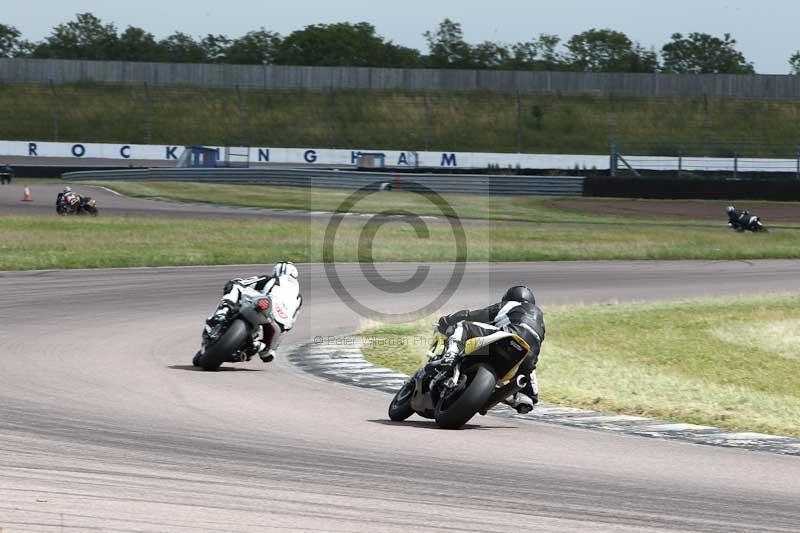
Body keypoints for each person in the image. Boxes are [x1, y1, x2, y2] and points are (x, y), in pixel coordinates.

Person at [431, 285, 545, 414]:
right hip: (527, 356)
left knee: (463, 326)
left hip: (508, 336)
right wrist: (532, 397)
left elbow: (474, 315)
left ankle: (450, 355)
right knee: (527, 388)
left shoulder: (512, 305)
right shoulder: (540, 322)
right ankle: (521, 399)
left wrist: (446, 320)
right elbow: (531, 363)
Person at [197, 261, 303, 364]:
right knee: (267, 355)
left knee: (235, 285)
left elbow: (244, 283)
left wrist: (234, 285)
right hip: (280, 325)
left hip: (268, 305)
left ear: (277, 271)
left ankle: (222, 313)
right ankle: (256, 346)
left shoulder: (272, 279)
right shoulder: (299, 298)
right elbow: (290, 324)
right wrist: (275, 344)